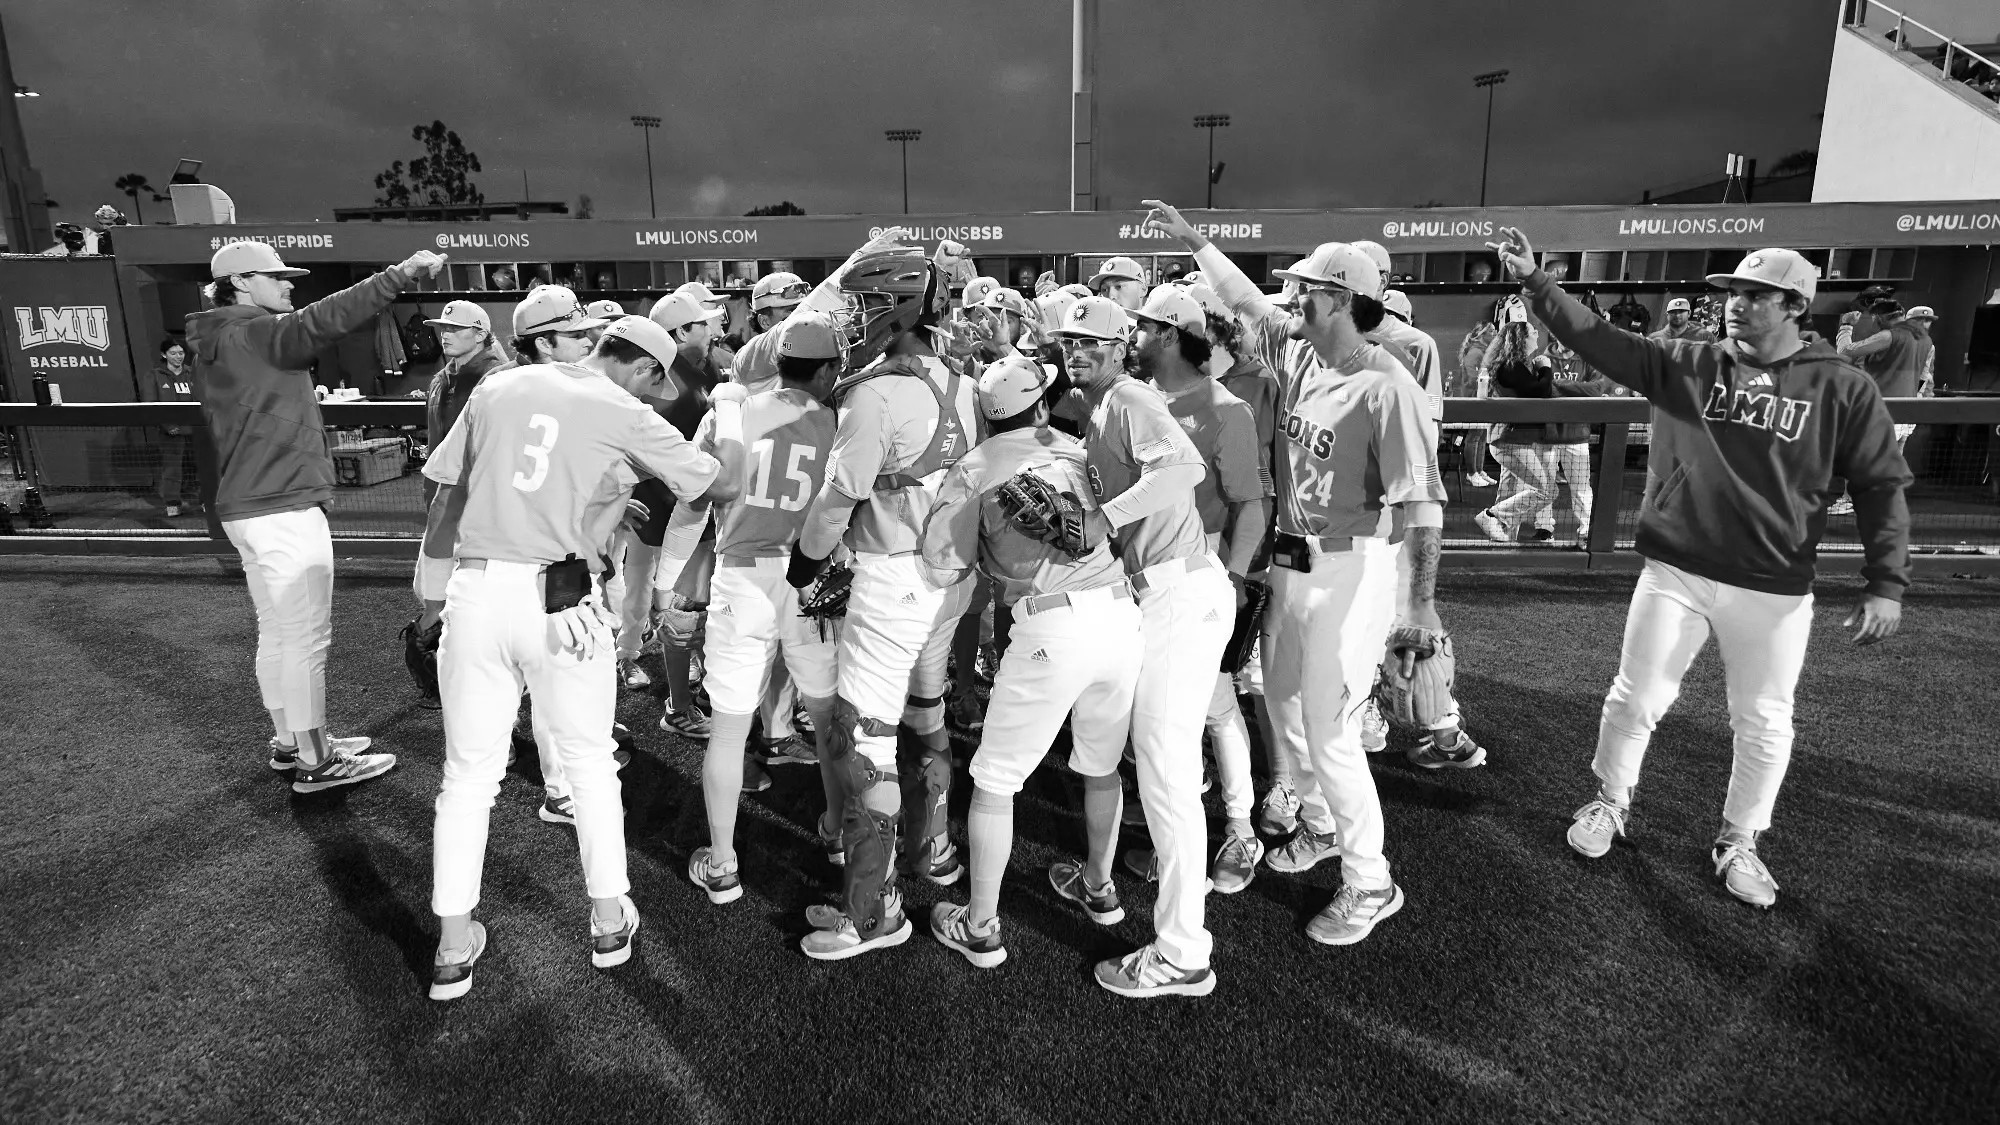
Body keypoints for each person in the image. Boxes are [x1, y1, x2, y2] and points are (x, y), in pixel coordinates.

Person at [1487, 229, 1911, 909]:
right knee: (1634, 698)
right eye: (1733, 292)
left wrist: (1886, 582)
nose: (1737, 304)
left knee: (1765, 720)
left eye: (1757, 295)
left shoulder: (1843, 385)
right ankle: (1610, 801)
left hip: (1773, 582)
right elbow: (1598, 338)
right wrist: (1537, 283)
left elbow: (1881, 486)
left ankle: (1740, 839)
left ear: (1795, 305)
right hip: (1676, 568)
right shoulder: (1686, 360)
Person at [1145, 199, 1451, 948]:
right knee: (1281, 705)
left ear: (1341, 300)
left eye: (1307, 289)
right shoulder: (1304, 350)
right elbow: (1246, 300)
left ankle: (1371, 880)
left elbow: (1422, 508)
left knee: (1332, 730)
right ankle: (1320, 824)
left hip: (1353, 569)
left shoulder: (1389, 386)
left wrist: (1419, 606)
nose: (1293, 297)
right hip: (1291, 560)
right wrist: (1196, 240)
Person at [421, 314, 746, 1000]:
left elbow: (451, 489)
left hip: (477, 590)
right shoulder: (625, 409)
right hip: (564, 600)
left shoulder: (501, 385)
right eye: (655, 382)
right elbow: (717, 484)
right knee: (591, 765)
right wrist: (732, 418)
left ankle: (452, 946)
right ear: (644, 368)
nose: (654, 393)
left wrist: (431, 593)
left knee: (467, 778)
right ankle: (607, 921)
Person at [188, 240, 440, 791]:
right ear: (239, 283)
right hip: (280, 506)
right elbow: (323, 319)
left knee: (278, 634)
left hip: (249, 506)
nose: (288, 284)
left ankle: (292, 744)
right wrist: (397, 274)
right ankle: (316, 762)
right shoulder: (253, 332)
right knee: (304, 639)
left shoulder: (219, 337)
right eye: (275, 276)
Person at [788, 240, 980, 960]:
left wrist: (804, 566)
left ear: (896, 308)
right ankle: (934, 848)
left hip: (893, 579)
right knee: (926, 710)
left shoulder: (873, 393)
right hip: (950, 577)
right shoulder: (963, 381)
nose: (854, 316)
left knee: (861, 739)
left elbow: (839, 499)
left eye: (866, 303)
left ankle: (873, 912)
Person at [920, 355, 1141, 970]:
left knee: (995, 781)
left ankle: (981, 926)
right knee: (1101, 765)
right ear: (1041, 405)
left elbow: (942, 564)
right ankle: (1099, 886)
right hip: (1121, 614)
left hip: (1050, 624)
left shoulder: (975, 467)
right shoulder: (1078, 450)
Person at [1045, 293, 1231, 997]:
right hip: (1159, 593)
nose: (1077, 351)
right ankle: (1127, 894)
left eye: (1091, 341)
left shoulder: (1127, 397)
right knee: (1157, 767)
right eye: (1069, 340)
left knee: (1168, 774)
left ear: (1121, 347)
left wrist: (1100, 516)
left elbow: (1184, 470)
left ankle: (1182, 952)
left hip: (1180, 592)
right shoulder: (1098, 407)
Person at [679, 313, 844, 905]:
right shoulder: (838, 421)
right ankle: (838, 833)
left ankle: (723, 864)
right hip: (809, 576)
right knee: (828, 719)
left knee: (728, 729)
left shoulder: (732, 414)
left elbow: (692, 493)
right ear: (825, 370)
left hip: (741, 575)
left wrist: (669, 578)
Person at [1121, 285, 1268, 894]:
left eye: (1143, 325)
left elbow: (1250, 504)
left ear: (1169, 335)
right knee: (1157, 712)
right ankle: (1175, 826)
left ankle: (1240, 830)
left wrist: (1231, 577)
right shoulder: (1140, 395)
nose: (1133, 334)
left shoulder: (1226, 408)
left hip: (1194, 571)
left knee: (1215, 707)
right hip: (1139, 573)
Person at [412, 301, 516, 640]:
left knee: (478, 588)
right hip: (443, 492)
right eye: (443, 328)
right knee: (435, 582)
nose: (445, 334)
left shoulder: (498, 377)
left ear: (481, 334)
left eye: (456, 328)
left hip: (480, 498)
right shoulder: (442, 378)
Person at [152, 338, 199, 517]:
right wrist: (168, 426)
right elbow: (151, 404)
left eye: (181, 353)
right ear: (164, 355)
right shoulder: (155, 375)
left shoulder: (193, 372)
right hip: (171, 432)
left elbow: (203, 398)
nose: (178, 356)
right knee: (172, 469)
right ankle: (172, 504)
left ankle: (206, 500)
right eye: (173, 353)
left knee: (203, 466)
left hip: (196, 430)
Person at [1651, 297, 1715, 344]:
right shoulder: (1654, 338)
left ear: (1689, 313)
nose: (1677, 315)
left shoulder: (1705, 337)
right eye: (1673, 312)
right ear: (1667, 315)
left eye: (1681, 311)